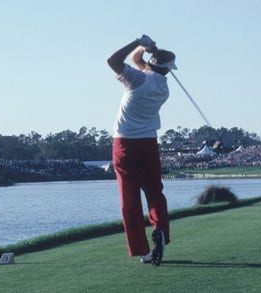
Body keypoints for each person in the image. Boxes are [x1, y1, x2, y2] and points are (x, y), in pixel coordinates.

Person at [107, 35, 176, 266]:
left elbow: (113, 60)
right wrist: (145, 48)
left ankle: (143, 251)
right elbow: (140, 60)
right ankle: (161, 230)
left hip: (125, 144)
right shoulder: (163, 87)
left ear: (150, 63)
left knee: (130, 200)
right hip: (149, 144)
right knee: (155, 193)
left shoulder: (137, 79)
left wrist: (137, 41)